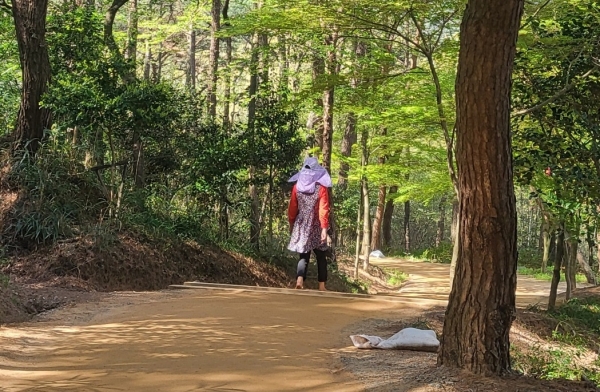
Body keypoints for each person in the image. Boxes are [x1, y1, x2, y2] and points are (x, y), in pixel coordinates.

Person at [287, 157, 332, 291]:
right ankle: (322, 286)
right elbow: (324, 208)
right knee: (321, 256)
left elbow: (293, 207)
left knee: (303, 255)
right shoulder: (321, 188)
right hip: (317, 225)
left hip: (301, 225)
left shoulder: (297, 187)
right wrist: (324, 228)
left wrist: (291, 223)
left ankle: (300, 280)